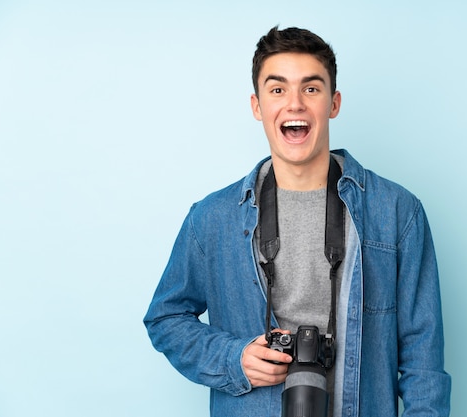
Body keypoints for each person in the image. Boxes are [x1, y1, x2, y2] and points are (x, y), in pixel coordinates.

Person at [144, 26, 451, 417]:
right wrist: (233, 358)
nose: (294, 104)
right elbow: (165, 317)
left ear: (333, 103)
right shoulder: (212, 219)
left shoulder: (395, 212)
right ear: (257, 106)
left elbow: (423, 359)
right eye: (277, 90)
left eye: (311, 88)